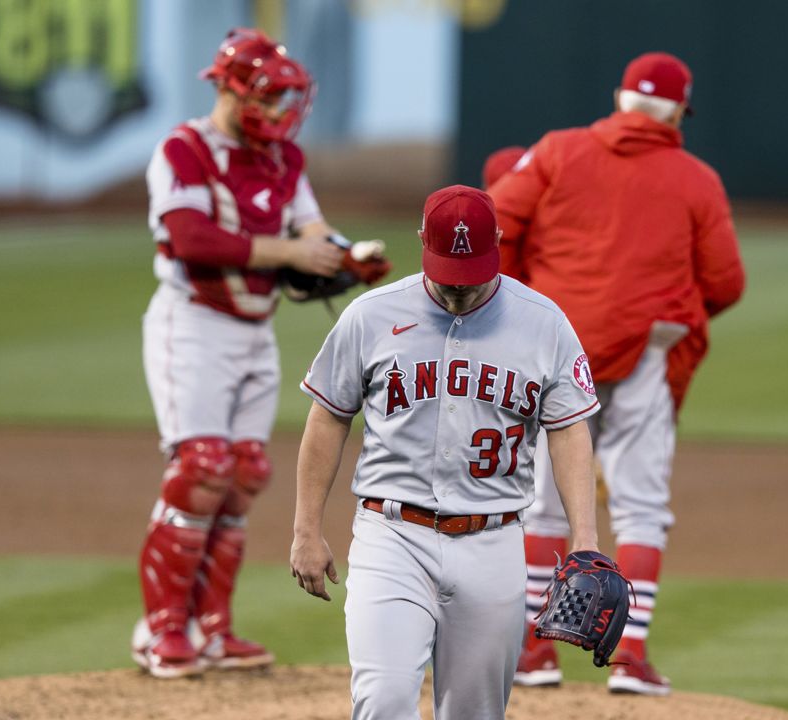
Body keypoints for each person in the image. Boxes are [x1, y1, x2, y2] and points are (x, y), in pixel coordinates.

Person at [290, 185, 602, 720]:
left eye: (473, 276)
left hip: (494, 541)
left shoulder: (544, 322)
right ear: (421, 243)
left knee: (475, 714)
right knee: (383, 702)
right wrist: (305, 529)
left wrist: (587, 540)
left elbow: (569, 429)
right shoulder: (371, 316)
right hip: (392, 538)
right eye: (449, 275)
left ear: (499, 242)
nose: (460, 291)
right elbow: (328, 417)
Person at [488, 51, 745, 695]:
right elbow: (725, 282)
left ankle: (534, 654)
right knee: (641, 506)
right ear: (680, 110)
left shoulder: (557, 151)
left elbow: (494, 224)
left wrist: (520, 303)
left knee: (542, 503)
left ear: (619, 97)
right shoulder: (697, 179)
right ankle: (628, 657)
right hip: (644, 357)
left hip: (555, 352)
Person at [133, 27, 384, 678]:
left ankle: (214, 629)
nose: (280, 112)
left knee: (244, 473)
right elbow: (189, 237)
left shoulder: (282, 160)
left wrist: (348, 256)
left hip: (254, 328)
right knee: (202, 466)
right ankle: (162, 631)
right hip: (192, 324)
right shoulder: (184, 150)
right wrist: (293, 254)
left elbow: (312, 229)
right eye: (270, 97)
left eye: (286, 99)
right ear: (229, 86)